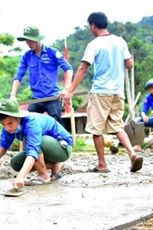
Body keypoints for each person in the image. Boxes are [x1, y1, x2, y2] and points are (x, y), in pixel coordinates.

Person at [61, 12, 143, 173]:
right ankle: (132, 153)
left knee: (96, 129)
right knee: (118, 126)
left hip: (100, 92)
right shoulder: (120, 41)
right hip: (118, 92)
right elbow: (129, 64)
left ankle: (102, 164)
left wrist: (70, 91)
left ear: (93, 25)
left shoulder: (94, 44)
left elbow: (83, 68)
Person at [0, 99, 73, 189]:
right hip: (44, 149)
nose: (7, 127)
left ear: (18, 118)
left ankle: (43, 175)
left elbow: (33, 150)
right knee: (15, 163)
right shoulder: (8, 127)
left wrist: (20, 177)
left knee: (31, 140)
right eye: (3, 124)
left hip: (62, 148)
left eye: (10, 123)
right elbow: (4, 143)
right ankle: (54, 166)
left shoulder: (32, 123)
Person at [10, 26, 73, 125]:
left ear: (38, 39)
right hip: (36, 98)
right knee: (28, 123)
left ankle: (63, 140)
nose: (28, 44)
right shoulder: (27, 56)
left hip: (52, 97)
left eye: (31, 40)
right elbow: (18, 76)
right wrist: (13, 95)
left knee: (57, 124)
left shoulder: (52, 52)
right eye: (26, 41)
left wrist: (66, 89)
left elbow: (68, 69)